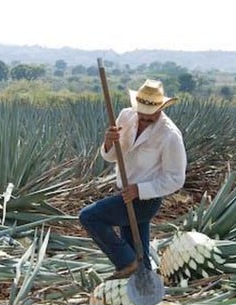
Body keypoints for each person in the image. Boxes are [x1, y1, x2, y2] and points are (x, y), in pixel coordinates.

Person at [79, 79, 187, 279]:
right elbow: (110, 156)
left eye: (149, 117)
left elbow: (176, 178)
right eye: (141, 115)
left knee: (89, 217)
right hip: (124, 193)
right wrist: (108, 143)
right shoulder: (126, 117)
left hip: (146, 200)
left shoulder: (170, 135)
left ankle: (126, 263)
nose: (144, 119)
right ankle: (145, 290)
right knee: (139, 252)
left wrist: (140, 189)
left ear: (160, 109)